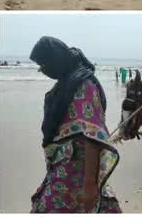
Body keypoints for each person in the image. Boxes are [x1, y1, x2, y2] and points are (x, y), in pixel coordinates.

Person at [28, 37, 121, 212]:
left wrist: (90, 184)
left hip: (79, 170)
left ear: (55, 60)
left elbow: (93, 135)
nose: (42, 70)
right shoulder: (66, 83)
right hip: (62, 166)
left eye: (43, 65)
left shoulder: (84, 84)